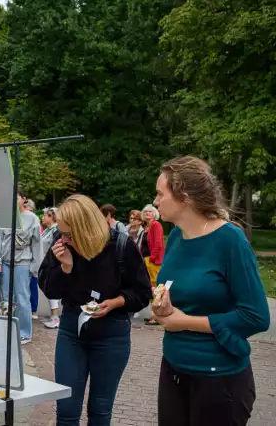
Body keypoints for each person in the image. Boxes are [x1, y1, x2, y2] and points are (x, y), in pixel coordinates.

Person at [150, 156, 270, 426]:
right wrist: (164, 308)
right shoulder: (177, 236)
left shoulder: (230, 240)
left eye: (160, 193)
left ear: (184, 197)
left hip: (219, 380)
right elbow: (177, 293)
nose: (155, 201)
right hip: (173, 369)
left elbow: (257, 317)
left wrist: (184, 322)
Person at [39, 194, 152, 426]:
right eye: (62, 233)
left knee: (100, 410)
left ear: (85, 229)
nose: (65, 240)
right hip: (72, 332)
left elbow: (142, 293)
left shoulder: (120, 246)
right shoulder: (62, 245)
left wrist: (117, 302)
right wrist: (66, 267)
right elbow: (49, 289)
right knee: (67, 409)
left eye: (69, 234)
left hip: (112, 334)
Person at [0, 190, 43, 344]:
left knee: (22, 297)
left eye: (16, 197)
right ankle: (7, 329)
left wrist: (35, 266)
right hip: (5, 262)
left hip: (22, 262)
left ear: (23, 199)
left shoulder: (32, 218)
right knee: (6, 297)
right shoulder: (5, 216)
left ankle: (24, 332)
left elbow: (37, 243)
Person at [141, 204, 165, 325]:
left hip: (153, 260)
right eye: (145, 212)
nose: (147, 213)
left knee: (156, 286)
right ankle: (153, 314)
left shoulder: (156, 225)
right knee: (150, 286)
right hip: (145, 259)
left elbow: (158, 243)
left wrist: (152, 258)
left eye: (150, 211)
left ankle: (157, 316)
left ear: (155, 213)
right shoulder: (146, 227)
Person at [40, 207, 61, 329]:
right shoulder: (48, 230)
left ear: (52, 217)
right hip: (47, 262)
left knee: (53, 292)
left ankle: (56, 317)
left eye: (45, 216)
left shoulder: (55, 230)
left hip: (53, 263)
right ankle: (54, 316)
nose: (42, 218)